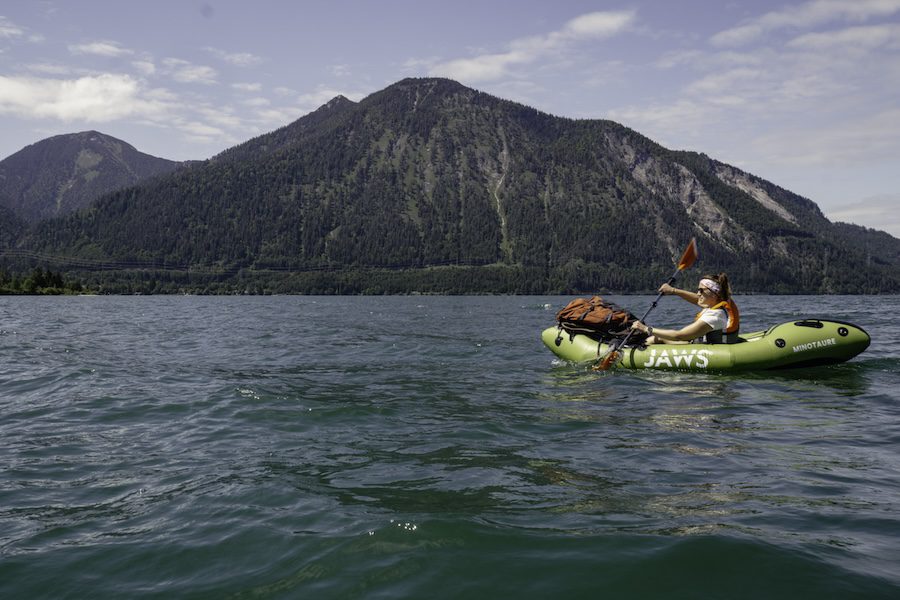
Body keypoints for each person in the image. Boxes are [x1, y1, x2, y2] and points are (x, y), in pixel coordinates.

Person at [631, 273, 741, 344]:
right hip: (702, 341)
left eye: (701, 290)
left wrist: (646, 329)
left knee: (653, 339)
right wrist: (673, 290)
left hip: (699, 346)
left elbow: (679, 335)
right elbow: (697, 299)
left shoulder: (715, 316)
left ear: (714, 294)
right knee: (656, 338)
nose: (698, 294)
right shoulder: (719, 303)